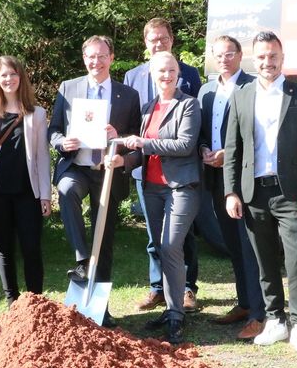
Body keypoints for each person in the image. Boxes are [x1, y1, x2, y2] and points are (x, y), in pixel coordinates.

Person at [223, 31, 297, 353]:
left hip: (290, 192)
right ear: (254, 58)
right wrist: (231, 192)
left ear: (282, 58)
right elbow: (233, 148)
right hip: (253, 193)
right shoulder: (241, 95)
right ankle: (275, 319)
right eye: (262, 56)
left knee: (295, 259)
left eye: (273, 56)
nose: (268, 62)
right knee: (264, 260)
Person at [48, 35, 141, 327]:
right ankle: (81, 259)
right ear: (83, 58)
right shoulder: (68, 88)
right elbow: (53, 132)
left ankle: (102, 308)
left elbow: (136, 137)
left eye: (101, 56)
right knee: (66, 191)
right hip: (77, 166)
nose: (96, 62)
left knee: (107, 236)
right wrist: (64, 142)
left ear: (111, 58)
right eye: (90, 56)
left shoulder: (127, 95)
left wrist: (120, 138)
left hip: (108, 170)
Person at [121, 52, 202, 344]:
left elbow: (184, 144)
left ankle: (177, 315)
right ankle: (171, 308)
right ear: (152, 75)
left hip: (181, 187)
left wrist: (144, 141)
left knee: (170, 245)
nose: (166, 75)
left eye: (171, 70)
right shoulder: (147, 108)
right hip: (152, 188)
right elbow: (141, 153)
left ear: (178, 73)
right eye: (161, 71)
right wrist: (124, 161)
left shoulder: (189, 104)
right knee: (161, 246)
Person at [198, 35, 265, 339]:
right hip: (215, 177)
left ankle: (258, 313)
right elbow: (200, 129)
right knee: (233, 245)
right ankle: (243, 302)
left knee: (249, 245)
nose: (224, 59)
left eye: (229, 54)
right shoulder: (206, 90)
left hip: (243, 177)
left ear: (240, 56)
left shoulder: (252, 86)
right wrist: (203, 150)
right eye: (219, 55)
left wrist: (228, 153)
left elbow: (256, 133)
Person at [0, 56, 52, 305]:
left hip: (28, 191)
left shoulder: (36, 113)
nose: (8, 79)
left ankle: (35, 301)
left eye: (13, 74)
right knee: (4, 248)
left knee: (31, 247)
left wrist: (46, 195)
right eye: (3, 75)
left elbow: (41, 156)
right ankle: (12, 301)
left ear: (21, 77)